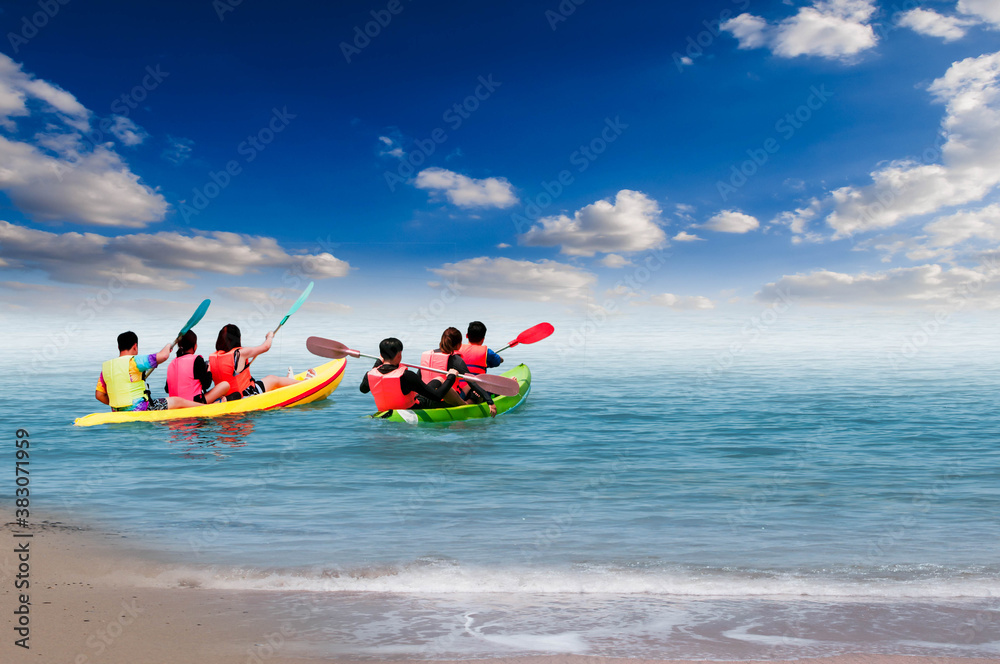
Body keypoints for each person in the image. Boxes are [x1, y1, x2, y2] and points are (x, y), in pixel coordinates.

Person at [95, 331, 202, 412]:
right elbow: (163, 356)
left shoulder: (106, 367)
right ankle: (206, 408)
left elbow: (99, 395)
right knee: (177, 400)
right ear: (135, 346)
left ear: (119, 347)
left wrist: (120, 405)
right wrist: (168, 346)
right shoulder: (134, 361)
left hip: (117, 410)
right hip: (141, 409)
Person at [209, 324, 310, 400]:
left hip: (226, 396)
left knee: (263, 382)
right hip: (246, 394)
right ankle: (303, 383)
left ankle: (288, 380)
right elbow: (266, 347)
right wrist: (270, 336)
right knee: (272, 379)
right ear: (237, 339)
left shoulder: (212, 358)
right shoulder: (240, 353)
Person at [360, 337, 461, 411]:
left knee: (437, 380)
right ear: (399, 354)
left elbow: (363, 389)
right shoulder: (406, 376)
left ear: (381, 355)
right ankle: (464, 404)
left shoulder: (370, 374)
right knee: (442, 380)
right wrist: (451, 376)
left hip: (385, 410)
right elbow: (437, 396)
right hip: (414, 409)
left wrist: (378, 362)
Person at [422, 327, 497, 417]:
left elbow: (419, 377)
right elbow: (472, 382)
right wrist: (490, 402)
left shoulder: (428, 355)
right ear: (458, 345)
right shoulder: (455, 359)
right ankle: (467, 404)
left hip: (426, 399)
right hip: (444, 402)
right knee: (476, 391)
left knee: (466, 387)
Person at [165, 330, 231, 405]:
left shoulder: (171, 363)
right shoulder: (197, 360)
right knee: (225, 385)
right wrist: (209, 371)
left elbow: (167, 389)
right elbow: (206, 384)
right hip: (194, 403)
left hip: (175, 404)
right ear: (195, 346)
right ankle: (211, 404)